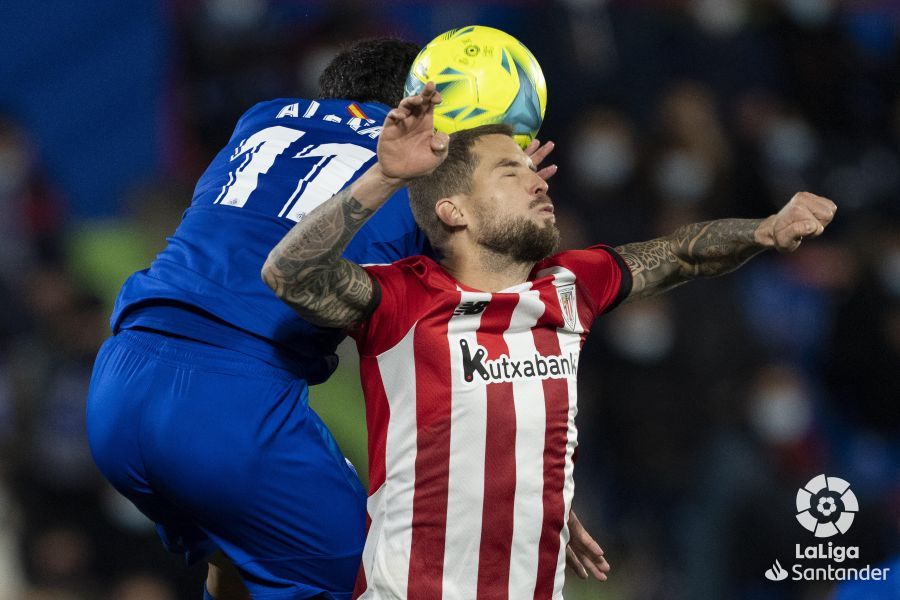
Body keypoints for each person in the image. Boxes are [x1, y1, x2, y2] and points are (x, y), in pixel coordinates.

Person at [261, 82, 836, 598]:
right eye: (511, 172)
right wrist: (386, 175)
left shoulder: (570, 285)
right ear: (452, 208)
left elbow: (682, 251)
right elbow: (287, 274)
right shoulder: (404, 299)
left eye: (531, 169)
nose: (540, 181)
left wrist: (763, 230)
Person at [86, 39, 604, 600]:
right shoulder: (427, 178)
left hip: (118, 385)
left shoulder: (259, 119)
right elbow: (482, 345)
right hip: (231, 407)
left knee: (235, 552)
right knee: (372, 580)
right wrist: (491, 193)